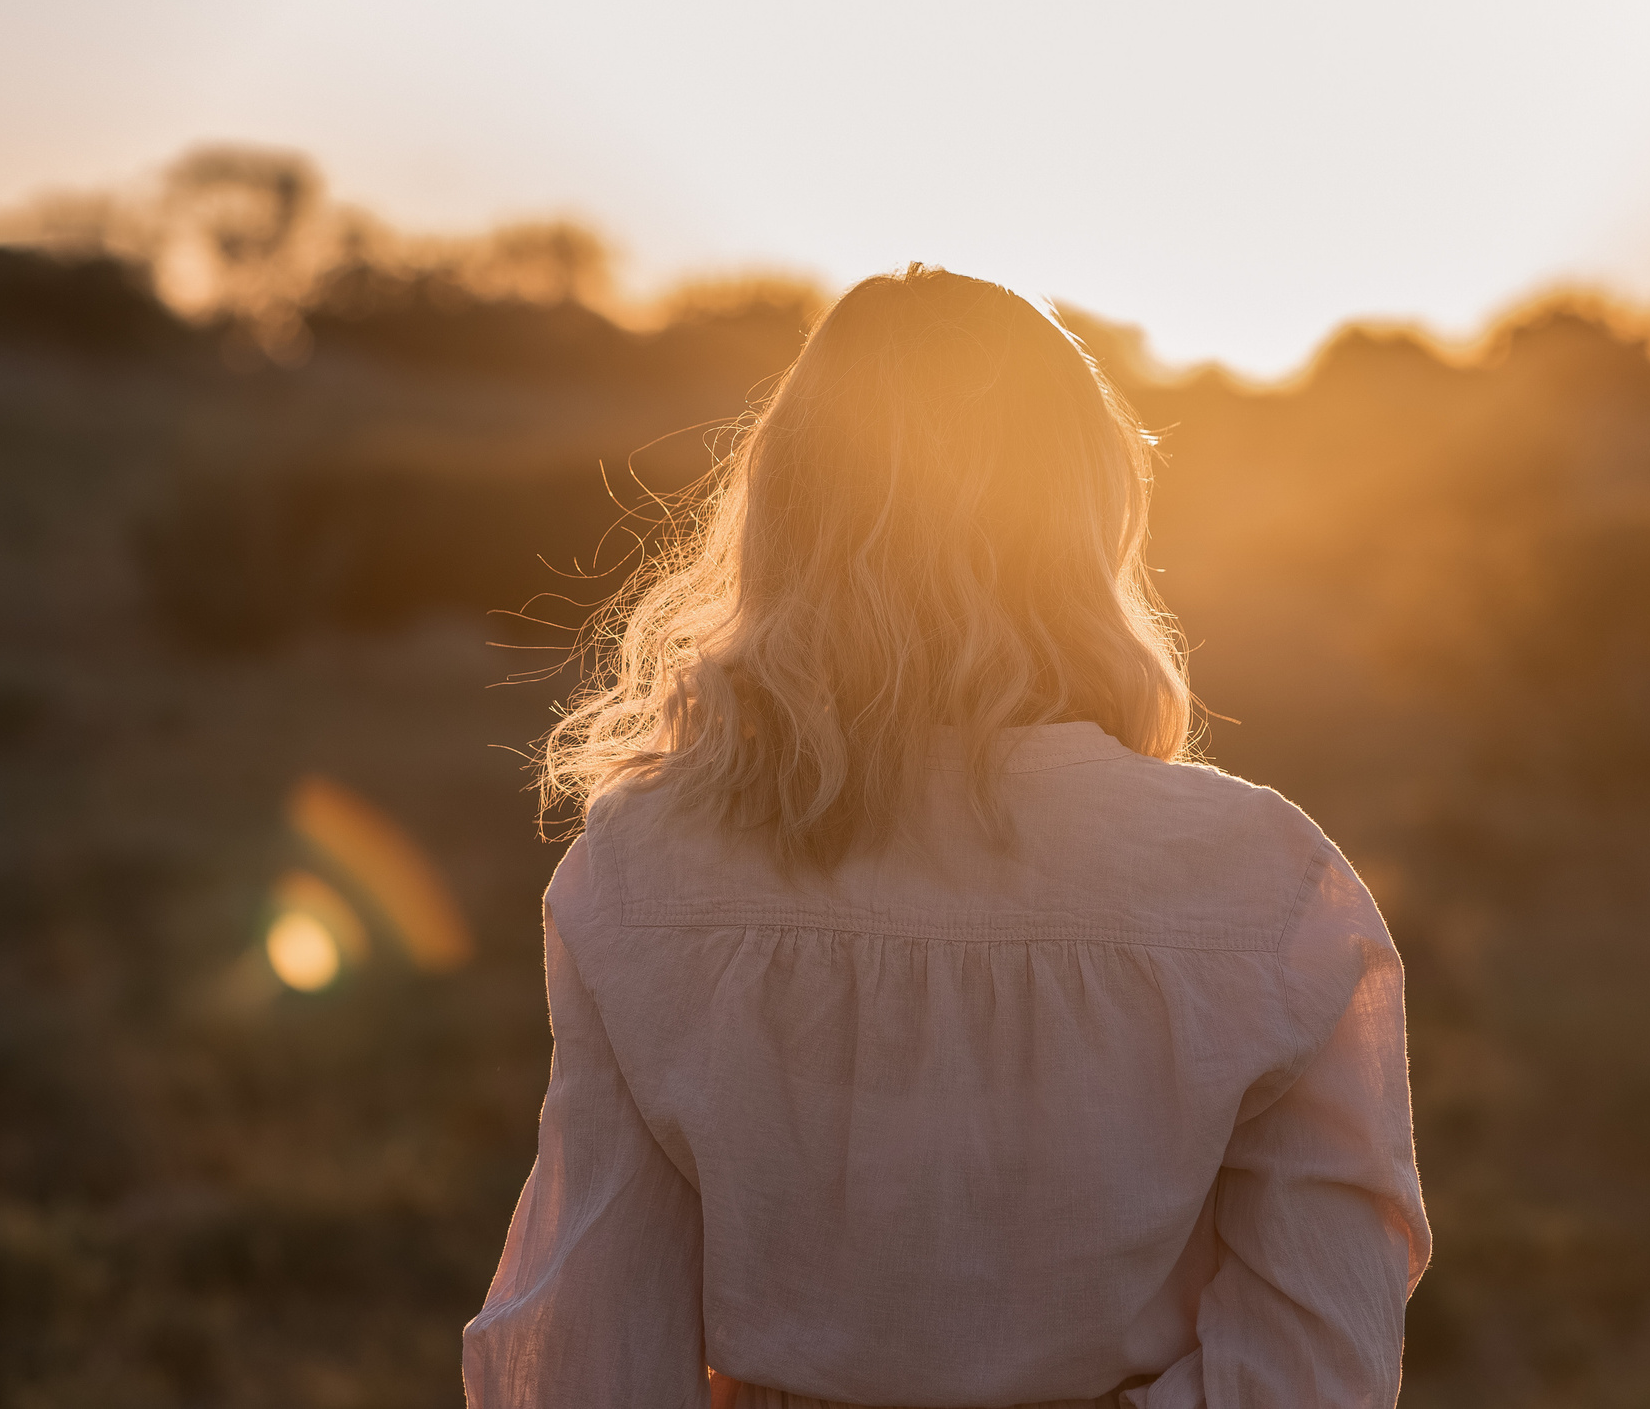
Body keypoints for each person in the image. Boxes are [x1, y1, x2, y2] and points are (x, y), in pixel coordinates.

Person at [463, 267, 1428, 1409]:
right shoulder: (1268, 883)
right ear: (1087, 518)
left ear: (788, 516)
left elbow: (591, 1347)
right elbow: (1318, 1365)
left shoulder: (643, 869)